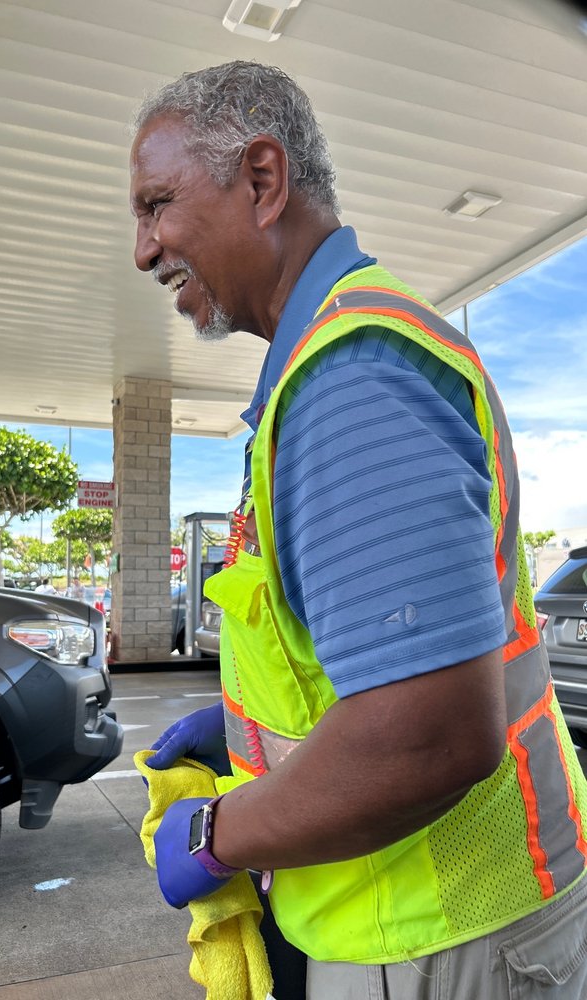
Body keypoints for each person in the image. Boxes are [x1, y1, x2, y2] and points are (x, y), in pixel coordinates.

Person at [129, 61, 587, 999]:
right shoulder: (332, 364)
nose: (144, 249)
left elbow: (427, 739)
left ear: (262, 181)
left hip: (443, 938)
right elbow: (379, 668)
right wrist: (249, 734)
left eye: (157, 204)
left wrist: (218, 835)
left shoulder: (349, 384)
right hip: (435, 927)